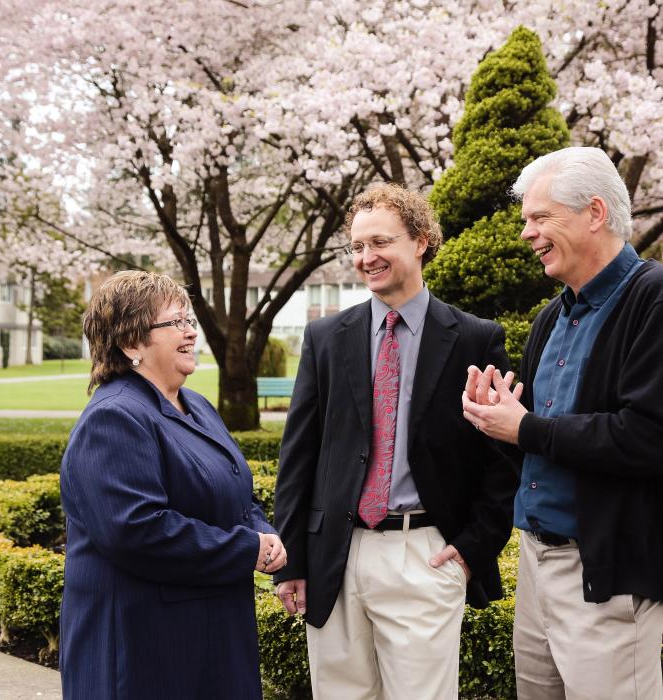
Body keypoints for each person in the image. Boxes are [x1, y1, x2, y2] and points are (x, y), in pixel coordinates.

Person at [273, 183, 518, 699]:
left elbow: (502, 458)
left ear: (422, 240)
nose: (366, 258)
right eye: (357, 247)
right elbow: (299, 455)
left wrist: (472, 549)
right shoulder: (325, 338)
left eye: (380, 243)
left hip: (424, 554)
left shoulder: (476, 337)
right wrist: (293, 560)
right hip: (335, 557)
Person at [462, 146, 663, 699]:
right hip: (536, 562)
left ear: (594, 213)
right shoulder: (554, 313)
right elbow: (530, 446)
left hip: (606, 574)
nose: (527, 233)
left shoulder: (653, 297)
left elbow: (647, 437)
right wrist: (492, 418)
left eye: (539, 217)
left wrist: (524, 428)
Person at [60, 271, 286, 700]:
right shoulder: (114, 418)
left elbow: (232, 491)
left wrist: (264, 533)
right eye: (175, 323)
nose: (190, 332)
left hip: (210, 634)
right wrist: (246, 549)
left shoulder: (196, 405)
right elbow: (136, 531)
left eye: (189, 321)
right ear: (131, 344)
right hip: (146, 651)